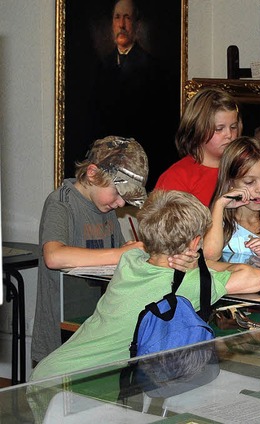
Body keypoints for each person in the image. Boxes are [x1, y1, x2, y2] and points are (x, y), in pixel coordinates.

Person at [30, 190, 260, 381]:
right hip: (73, 384)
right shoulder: (191, 283)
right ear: (196, 243)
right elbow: (255, 277)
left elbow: (149, 255)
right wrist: (199, 262)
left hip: (50, 370)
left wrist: (190, 258)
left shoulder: (130, 261)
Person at [31, 136, 147, 364]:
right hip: (61, 342)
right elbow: (54, 256)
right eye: (117, 193)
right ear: (92, 173)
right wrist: (120, 254)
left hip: (94, 336)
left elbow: (115, 263)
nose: (122, 203)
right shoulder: (61, 202)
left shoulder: (107, 210)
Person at [92, 0, 177, 188]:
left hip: (142, 165)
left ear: (137, 25)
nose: (122, 24)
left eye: (127, 18)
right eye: (117, 18)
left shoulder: (154, 68)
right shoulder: (100, 67)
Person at [155, 87, 241, 206]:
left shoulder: (243, 167)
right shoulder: (177, 177)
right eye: (219, 129)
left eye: (233, 127)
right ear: (197, 129)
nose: (229, 134)